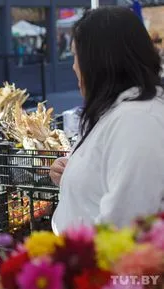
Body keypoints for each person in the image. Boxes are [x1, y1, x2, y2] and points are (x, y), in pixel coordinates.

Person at [49, 7, 164, 235]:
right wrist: (71, 172)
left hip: (102, 266)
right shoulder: (117, 110)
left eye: (75, 55)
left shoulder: (137, 120)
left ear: (99, 61)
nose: (74, 66)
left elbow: (125, 225)